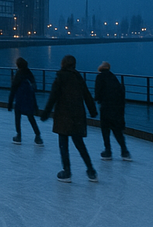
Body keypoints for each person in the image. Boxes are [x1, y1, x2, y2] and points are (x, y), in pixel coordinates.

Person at [41, 54, 99, 182]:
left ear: (63, 64)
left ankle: (67, 171)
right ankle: (91, 170)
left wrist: (46, 113)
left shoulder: (60, 77)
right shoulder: (78, 77)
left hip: (63, 116)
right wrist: (93, 110)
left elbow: (53, 97)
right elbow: (87, 95)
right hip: (77, 116)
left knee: (63, 145)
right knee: (80, 144)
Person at [94, 61, 132, 160]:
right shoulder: (113, 77)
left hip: (106, 107)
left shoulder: (100, 77)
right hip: (117, 108)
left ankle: (108, 151)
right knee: (117, 130)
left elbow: (97, 94)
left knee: (105, 129)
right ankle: (124, 151)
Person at [8, 57, 44, 145]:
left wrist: (10, 103)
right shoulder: (29, 73)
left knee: (17, 117)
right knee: (31, 117)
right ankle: (38, 135)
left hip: (20, 99)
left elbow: (13, 89)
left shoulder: (18, 74)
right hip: (29, 99)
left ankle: (19, 135)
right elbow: (34, 87)